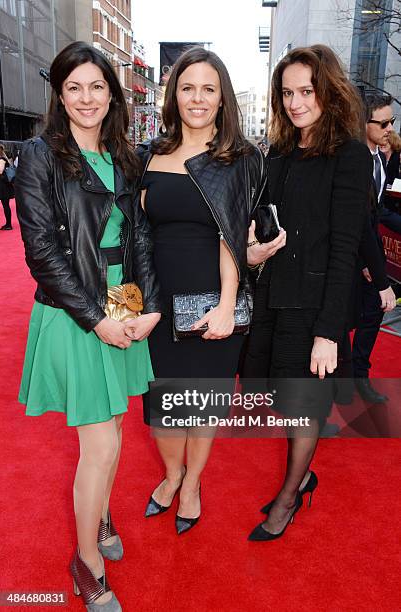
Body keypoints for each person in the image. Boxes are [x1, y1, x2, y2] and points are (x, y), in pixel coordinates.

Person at [15, 41, 161, 610]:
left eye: (96, 86)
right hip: (73, 308)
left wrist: (146, 305)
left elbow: (139, 234)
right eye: (73, 87)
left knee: (116, 427)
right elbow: (42, 252)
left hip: (121, 297)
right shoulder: (39, 155)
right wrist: (97, 319)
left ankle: (99, 518)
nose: (86, 97)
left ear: (112, 94)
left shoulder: (125, 154)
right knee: (98, 443)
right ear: (59, 94)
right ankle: (86, 562)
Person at [136, 46, 271, 535]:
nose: (197, 98)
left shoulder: (238, 158)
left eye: (208, 89)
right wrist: (130, 305)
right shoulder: (147, 154)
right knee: (165, 407)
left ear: (222, 98)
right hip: (157, 300)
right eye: (187, 87)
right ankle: (171, 476)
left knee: (205, 402)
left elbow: (233, 234)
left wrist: (227, 305)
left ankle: (193, 483)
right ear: (174, 94)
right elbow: (133, 236)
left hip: (215, 298)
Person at [243, 45, 371, 541]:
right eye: (287, 93)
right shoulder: (279, 151)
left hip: (315, 304)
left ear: (328, 91)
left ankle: (290, 496)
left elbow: (345, 250)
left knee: (302, 405)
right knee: (269, 394)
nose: (295, 103)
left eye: (306, 91)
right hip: (273, 293)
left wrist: (328, 332)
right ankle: (304, 474)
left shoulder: (350, 154)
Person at [352, 94, 401, 403]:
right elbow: (354, 220)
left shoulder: (380, 159)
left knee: (372, 317)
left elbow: (378, 211)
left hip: (372, 255)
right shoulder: (353, 160)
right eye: (383, 123)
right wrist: (364, 262)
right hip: (353, 257)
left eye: (392, 122)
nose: (389, 128)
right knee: (343, 322)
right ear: (364, 123)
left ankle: (358, 376)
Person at [0, 143, 14, 229]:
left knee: (5, 205)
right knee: (5, 204)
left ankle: (9, 225)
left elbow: (0, 171)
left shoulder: (2, 159)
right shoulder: (3, 158)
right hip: (4, 185)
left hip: (4, 186)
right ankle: (8, 224)